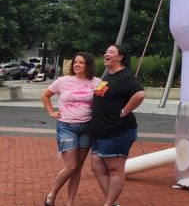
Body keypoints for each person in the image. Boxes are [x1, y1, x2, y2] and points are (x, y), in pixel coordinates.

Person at [88, 44, 146, 206]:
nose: (106, 54)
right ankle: (112, 203)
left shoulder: (125, 77)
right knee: (97, 168)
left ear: (120, 57)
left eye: (111, 52)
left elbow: (140, 94)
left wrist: (124, 111)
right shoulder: (108, 76)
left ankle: (109, 204)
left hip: (117, 131)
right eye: (106, 51)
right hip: (99, 131)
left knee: (115, 169)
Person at [41, 52, 101, 206]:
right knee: (71, 166)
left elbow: (104, 102)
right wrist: (51, 112)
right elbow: (45, 96)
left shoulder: (98, 82)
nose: (76, 65)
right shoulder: (62, 81)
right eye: (75, 62)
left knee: (78, 168)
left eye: (81, 62)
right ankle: (52, 195)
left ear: (88, 65)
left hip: (87, 128)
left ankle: (70, 202)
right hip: (66, 127)